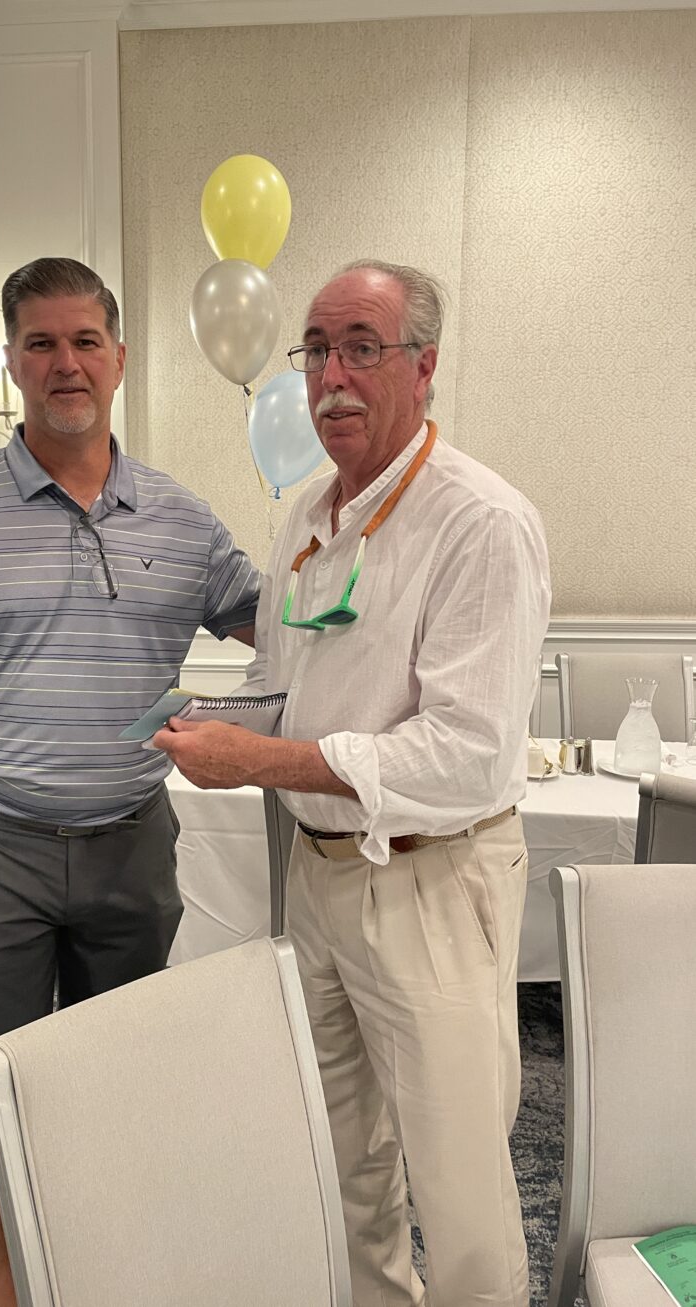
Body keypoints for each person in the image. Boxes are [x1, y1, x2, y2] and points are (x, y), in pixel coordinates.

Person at [0, 257, 260, 1306]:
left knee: (122, 1076)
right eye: (41, 343)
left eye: (84, 341)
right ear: (11, 362)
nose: (65, 362)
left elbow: (288, 635)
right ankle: (11, 1290)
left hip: (131, 838)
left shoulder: (182, 518)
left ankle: (108, 1264)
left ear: (118, 359)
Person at [155, 260, 551, 1307]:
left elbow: (466, 752)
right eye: (317, 348)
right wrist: (214, 724)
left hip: (432, 879)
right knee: (344, 1158)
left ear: (423, 367)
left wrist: (261, 761)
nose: (331, 374)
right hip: (317, 875)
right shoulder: (304, 519)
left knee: (459, 1183)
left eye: (362, 347)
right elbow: (287, 681)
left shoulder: (479, 522)